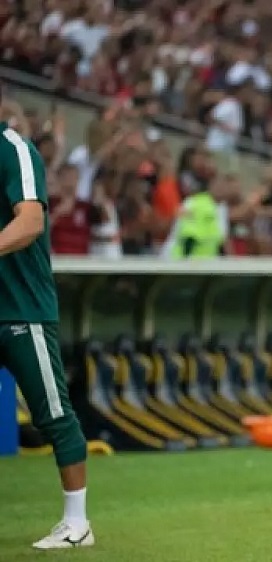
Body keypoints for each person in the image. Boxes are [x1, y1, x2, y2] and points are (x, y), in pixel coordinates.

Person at [0, 101, 94, 548]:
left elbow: (31, 222)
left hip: (22, 308)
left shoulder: (13, 148)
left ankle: (78, 523)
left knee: (53, 414)